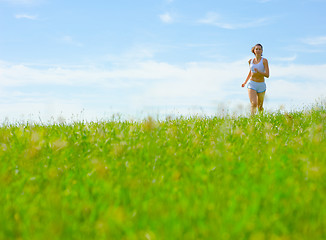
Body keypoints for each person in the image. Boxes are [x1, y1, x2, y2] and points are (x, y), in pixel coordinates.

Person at [242, 43, 270, 115]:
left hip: (261, 85)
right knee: (254, 104)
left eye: (259, 49)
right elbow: (250, 72)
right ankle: (252, 121)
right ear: (254, 51)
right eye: (256, 49)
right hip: (252, 84)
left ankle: (261, 120)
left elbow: (267, 75)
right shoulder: (250, 61)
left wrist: (259, 72)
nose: (258, 50)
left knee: (260, 107)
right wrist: (245, 82)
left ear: (262, 51)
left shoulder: (264, 61)